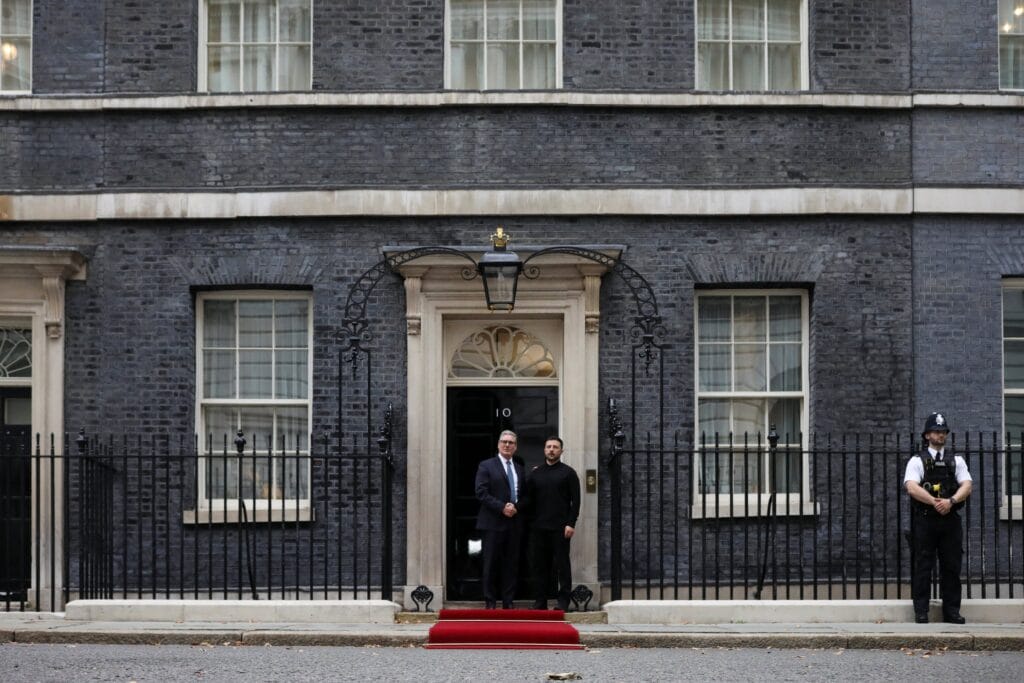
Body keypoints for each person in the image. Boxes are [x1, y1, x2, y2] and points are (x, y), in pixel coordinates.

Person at [904, 412, 973, 624]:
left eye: (943, 431)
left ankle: (951, 611)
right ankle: (921, 611)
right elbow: (911, 487)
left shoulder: (956, 460)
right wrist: (935, 502)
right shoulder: (917, 461)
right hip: (925, 520)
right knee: (923, 565)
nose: (940, 435)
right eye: (936, 431)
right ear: (927, 435)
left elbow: (967, 485)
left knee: (951, 567)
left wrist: (950, 501)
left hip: (950, 521)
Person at [522, 435, 581, 612]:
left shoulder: (569, 473)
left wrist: (571, 523)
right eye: (548, 447)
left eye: (555, 447)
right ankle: (540, 601)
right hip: (538, 528)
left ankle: (563, 602)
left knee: (562, 566)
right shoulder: (536, 473)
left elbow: (576, 501)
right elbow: (528, 499)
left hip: (560, 528)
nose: (551, 450)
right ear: (544, 450)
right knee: (540, 566)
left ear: (561, 451)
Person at [474, 429, 525, 609]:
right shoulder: (486, 466)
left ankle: (508, 601)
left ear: (515, 447)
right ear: (498, 445)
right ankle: (490, 601)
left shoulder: (520, 468)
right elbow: (481, 492)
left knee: (511, 564)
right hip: (492, 523)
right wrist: (502, 507)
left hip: (514, 523)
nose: (507, 445)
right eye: (504, 442)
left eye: (511, 443)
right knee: (490, 564)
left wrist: (516, 507)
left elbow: (524, 494)